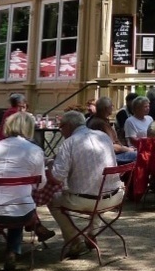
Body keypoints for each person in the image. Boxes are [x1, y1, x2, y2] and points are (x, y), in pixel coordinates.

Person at [0, 111, 48, 271]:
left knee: (16, 203)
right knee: (19, 205)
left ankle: (13, 250)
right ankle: (12, 251)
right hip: (21, 213)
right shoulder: (35, 151)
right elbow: (41, 185)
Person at [47, 110, 124, 259]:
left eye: (61, 127)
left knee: (53, 200)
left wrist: (50, 165)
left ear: (68, 126)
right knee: (97, 186)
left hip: (87, 200)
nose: (61, 131)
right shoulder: (104, 137)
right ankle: (92, 233)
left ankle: (75, 240)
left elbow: (57, 178)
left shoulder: (69, 143)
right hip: (115, 197)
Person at [88, 97, 137, 165]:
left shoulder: (98, 120)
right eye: (111, 106)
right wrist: (128, 150)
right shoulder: (100, 124)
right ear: (106, 108)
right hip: (109, 156)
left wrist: (126, 148)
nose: (113, 107)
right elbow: (112, 147)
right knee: (139, 155)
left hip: (111, 153)